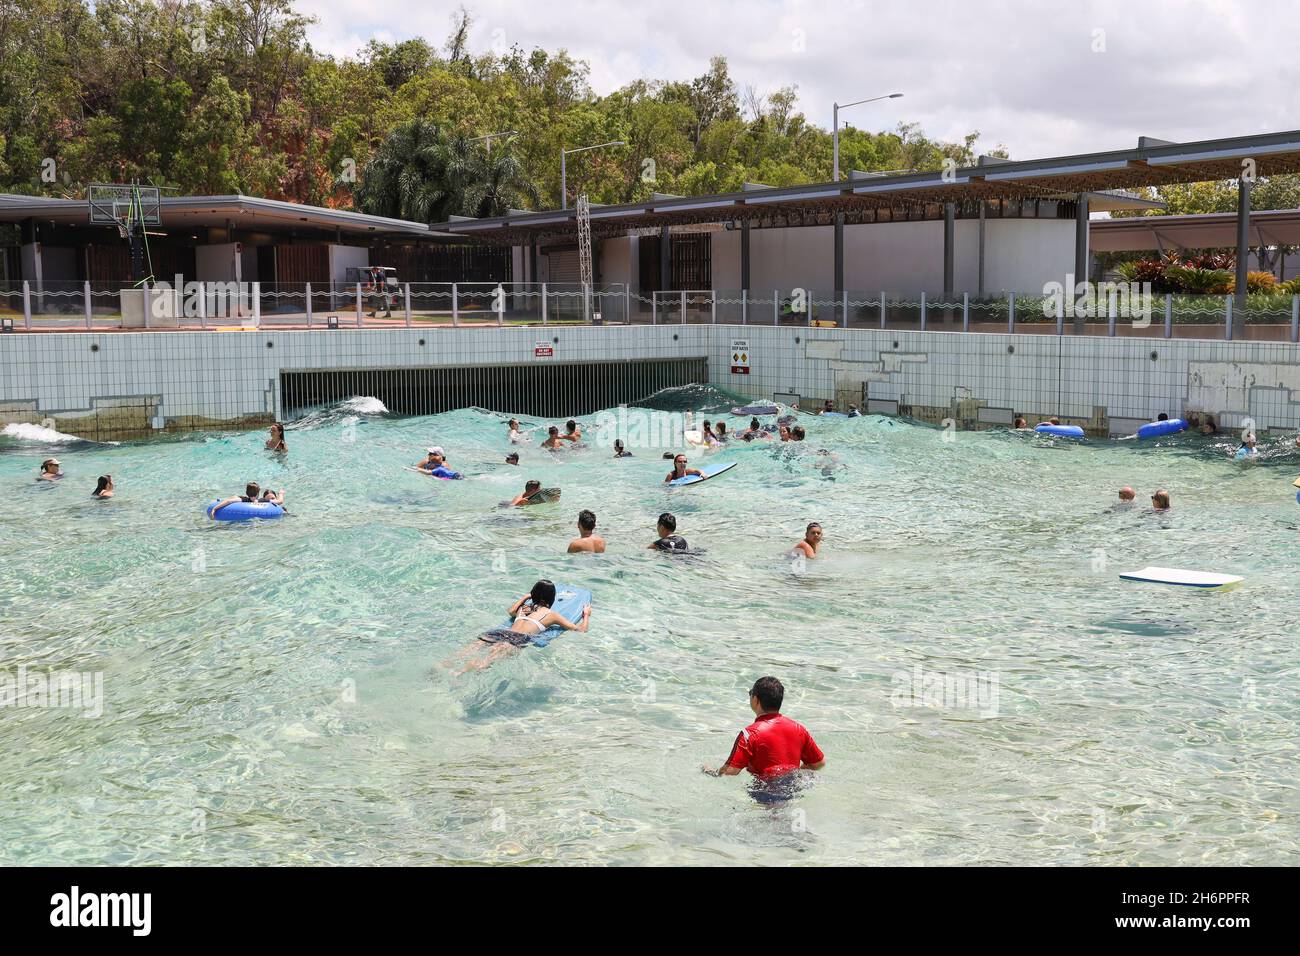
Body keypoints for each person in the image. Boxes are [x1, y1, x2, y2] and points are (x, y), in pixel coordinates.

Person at [450, 579, 592, 673]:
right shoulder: (551, 614)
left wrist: (525, 597)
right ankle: (458, 673)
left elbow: (510, 611)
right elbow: (581, 630)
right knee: (487, 661)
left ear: (533, 594)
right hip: (517, 639)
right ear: (551, 598)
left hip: (499, 632)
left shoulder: (523, 608)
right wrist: (586, 614)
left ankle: (443, 665)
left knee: (468, 650)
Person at [701, 676, 825, 783]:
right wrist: (792, 775)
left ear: (755, 700)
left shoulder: (749, 734)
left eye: (751, 693)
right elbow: (818, 763)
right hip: (793, 787)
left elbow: (730, 771)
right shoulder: (799, 729)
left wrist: (711, 772)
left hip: (764, 791)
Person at [210, 482, 283, 517]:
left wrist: (214, 509)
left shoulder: (243, 499)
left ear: (246, 493)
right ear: (258, 493)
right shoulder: (262, 500)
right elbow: (280, 501)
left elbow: (229, 501)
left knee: (234, 497)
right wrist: (281, 493)